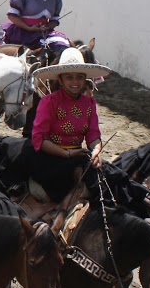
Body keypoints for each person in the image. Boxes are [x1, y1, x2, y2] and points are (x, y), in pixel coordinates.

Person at [27, 47, 113, 203]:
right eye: (69, 78)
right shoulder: (49, 102)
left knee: (111, 176)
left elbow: (93, 134)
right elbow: (38, 139)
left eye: (79, 77)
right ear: (60, 80)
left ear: (85, 79)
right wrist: (66, 154)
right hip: (52, 157)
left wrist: (96, 150)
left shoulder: (89, 103)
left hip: (78, 154)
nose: (75, 82)